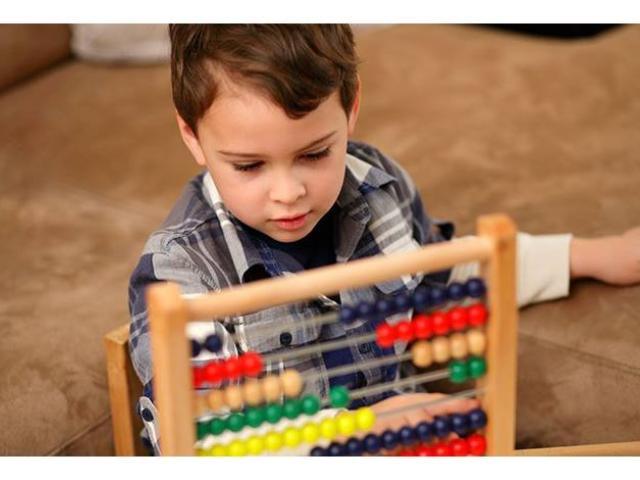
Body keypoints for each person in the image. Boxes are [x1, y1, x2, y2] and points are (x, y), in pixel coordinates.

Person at [128, 24, 640, 455]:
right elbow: (194, 443)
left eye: (314, 154)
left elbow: (448, 271)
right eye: (249, 166)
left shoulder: (379, 189)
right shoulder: (180, 278)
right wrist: (362, 430)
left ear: (351, 108)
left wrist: (591, 255)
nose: (289, 193)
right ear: (192, 136)